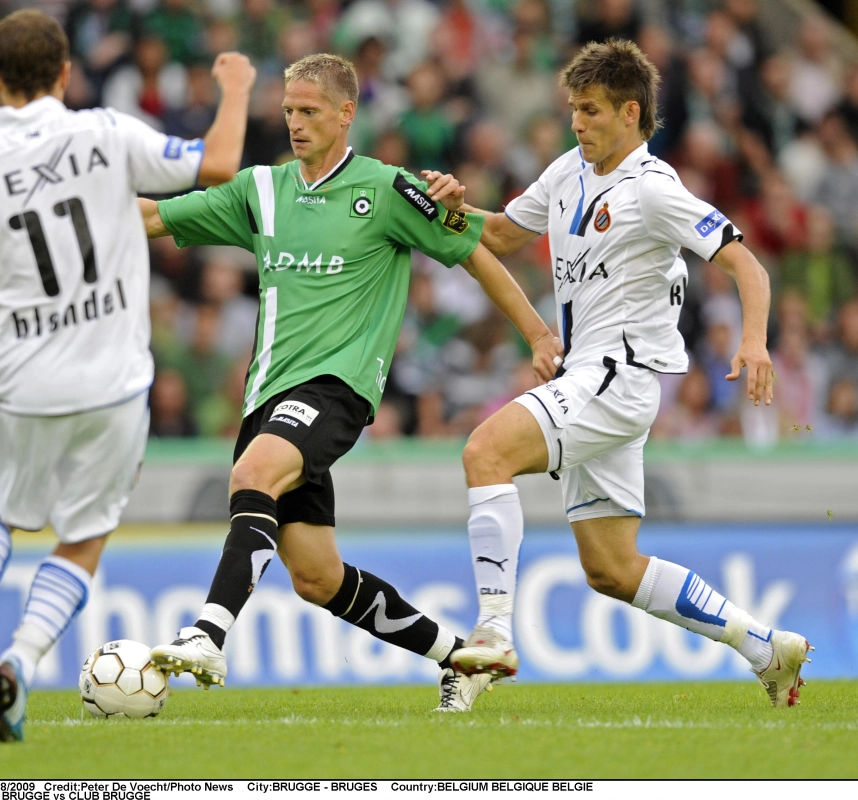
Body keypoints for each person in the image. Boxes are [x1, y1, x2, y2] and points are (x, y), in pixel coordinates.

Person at [139, 53, 561, 713]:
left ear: (346, 113)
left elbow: (477, 250)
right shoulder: (262, 190)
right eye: (288, 112)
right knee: (316, 576)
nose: (296, 124)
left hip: (336, 389)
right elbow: (154, 219)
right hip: (267, 396)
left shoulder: (391, 190)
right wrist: (74, 206)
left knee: (253, 476)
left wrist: (537, 334)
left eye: (309, 111)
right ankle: (463, 659)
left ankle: (207, 635)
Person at [427, 39, 812, 707]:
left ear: (631, 112)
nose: (578, 122)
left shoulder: (653, 189)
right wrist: (445, 208)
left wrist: (754, 341)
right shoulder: (567, 172)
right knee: (611, 568)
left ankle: (490, 637)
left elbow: (747, 264)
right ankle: (766, 647)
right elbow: (498, 236)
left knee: (485, 452)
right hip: (590, 380)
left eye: (592, 110)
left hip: (616, 379)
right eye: (574, 108)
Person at [0, 9, 255, 743]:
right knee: (84, 538)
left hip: (20, 382)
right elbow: (218, 165)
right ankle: (20, 660)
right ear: (66, 73)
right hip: (115, 384)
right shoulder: (106, 132)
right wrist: (235, 88)